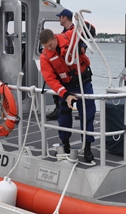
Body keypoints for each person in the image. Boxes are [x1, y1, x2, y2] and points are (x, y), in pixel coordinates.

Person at [39, 28, 96, 163]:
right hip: (66, 87)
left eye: (50, 45)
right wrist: (65, 95)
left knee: (88, 114)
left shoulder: (69, 36)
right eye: (46, 47)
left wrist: (83, 22)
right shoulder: (45, 57)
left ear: (54, 38)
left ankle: (87, 147)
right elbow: (50, 79)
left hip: (83, 82)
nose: (49, 48)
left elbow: (89, 30)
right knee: (63, 115)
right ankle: (65, 145)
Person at [46, 9, 96, 120]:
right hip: (66, 80)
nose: (59, 19)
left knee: (87, 111)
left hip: (80, 77)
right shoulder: (61, 36)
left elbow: (91, 32)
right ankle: (60, 112)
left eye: (60, 17)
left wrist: (82, 22)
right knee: (64, 115)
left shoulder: (77, 31)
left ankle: (82, 116)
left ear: (64, 17)